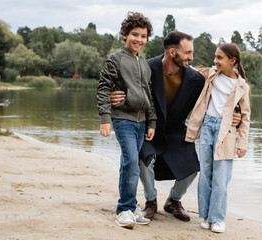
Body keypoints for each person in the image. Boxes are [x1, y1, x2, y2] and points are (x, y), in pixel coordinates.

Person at [109, 31, 240, 223]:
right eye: (187, 53)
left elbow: (218, 94)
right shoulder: (147, 67)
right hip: (149, 127)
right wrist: (114, 96)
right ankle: (151, 201)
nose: (191, 57)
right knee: (144, 159)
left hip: (177, 130)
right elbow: (124, 83)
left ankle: (173, 200)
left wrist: (236, 113)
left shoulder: (196, 79)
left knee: (193, 167)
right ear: (172, 52)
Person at [96, 11, 156, 229]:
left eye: (143, 35)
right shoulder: (115, 59)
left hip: (142, 122)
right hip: (123, 119)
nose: (139, 39)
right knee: (130, 160)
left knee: (131, 164)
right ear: (124, 34)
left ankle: (130, 208)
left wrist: (152, 123)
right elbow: (104, 88)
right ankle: (123, 211)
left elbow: (149, 94)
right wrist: (105, 118)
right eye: (134, 34)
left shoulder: (146, 65)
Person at [185, 43, 251, 233]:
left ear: (233, 61)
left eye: (220, 58)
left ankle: (218, 218)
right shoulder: (211, 74)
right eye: (215, 57)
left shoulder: (242, 86)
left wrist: (243, 144)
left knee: (221, 178)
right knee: (205, 175)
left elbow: (245, 117)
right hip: (207, 127)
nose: (215, 61)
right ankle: (205, 216)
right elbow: (192, 70)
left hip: (227, 132)